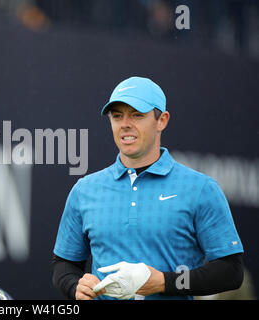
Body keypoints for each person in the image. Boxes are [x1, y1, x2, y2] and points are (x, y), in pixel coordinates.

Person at [52, 76, 244, 300]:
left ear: (161, 120)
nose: (125, 124)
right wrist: (75, 286)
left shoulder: (200, 189)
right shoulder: (85, 190)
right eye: (117, 116)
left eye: (137, 115)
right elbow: (64, 264)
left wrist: (163, 282)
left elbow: (231, 271)